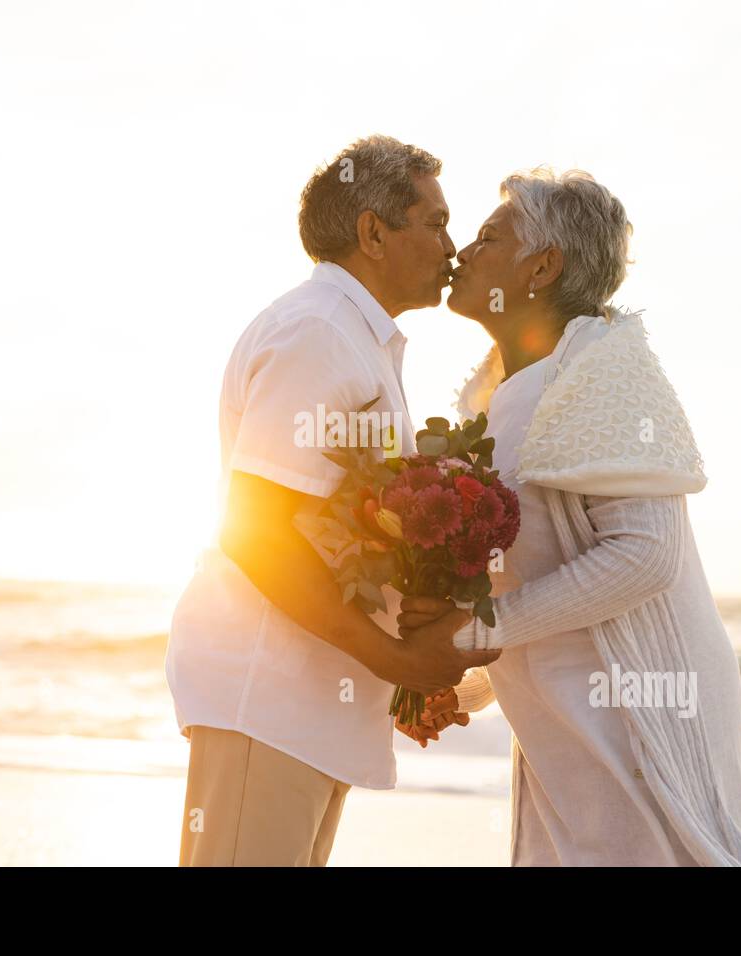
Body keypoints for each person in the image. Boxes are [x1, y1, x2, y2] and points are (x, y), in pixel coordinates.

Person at [399, 167, 741, 866]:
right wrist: (464, 684)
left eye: (488, 239)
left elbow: (646, 556)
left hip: (637, 709)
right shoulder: (500, 397)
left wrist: (473, 634)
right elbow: (538, 582)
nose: (463, 253)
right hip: (556, 715)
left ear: (543, 267)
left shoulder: (603, 375)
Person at [165, 135, 501, 866]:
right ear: (373, 233)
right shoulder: (317, 332)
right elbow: (256, 532)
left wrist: (401, 673)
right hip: (270, 698)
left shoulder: (355, 337)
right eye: (436, 223)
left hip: (305, 708)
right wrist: (396, 660)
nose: (452, 246)